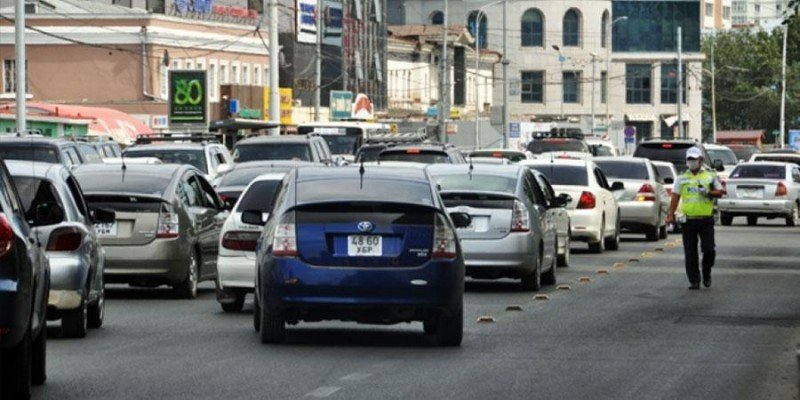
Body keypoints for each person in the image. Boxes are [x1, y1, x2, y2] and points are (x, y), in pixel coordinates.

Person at [666, 147, 725, 290]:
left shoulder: (710, 176)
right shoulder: (681, 178)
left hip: (706, 219)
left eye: (694, 159)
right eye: (689, 159)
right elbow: (675, 197)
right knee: (690, 253)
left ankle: (706, 272)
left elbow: (720, 192)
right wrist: (670, 215)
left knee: (709, 250)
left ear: (701, 160)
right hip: (688, 220)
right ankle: (694, 280)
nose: (692, 162)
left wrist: (708, 192)